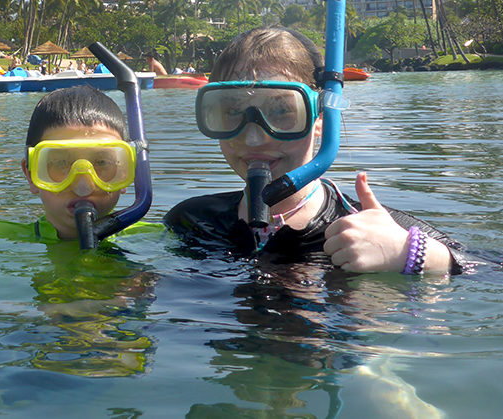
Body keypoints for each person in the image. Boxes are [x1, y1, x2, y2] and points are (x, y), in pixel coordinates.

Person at [164, 26, 473, 275]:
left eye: (282, 111)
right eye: (231, 111)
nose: (254, 138)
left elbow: (502, 273)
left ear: (321, 118)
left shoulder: (382, 230)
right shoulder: (190, 221)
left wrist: (414, 256)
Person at [0, 85, 158, 242]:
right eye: (61, 163)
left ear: (125, 171)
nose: (83, 187)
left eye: (102, 162)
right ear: (31, 175)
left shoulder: (154, 239)